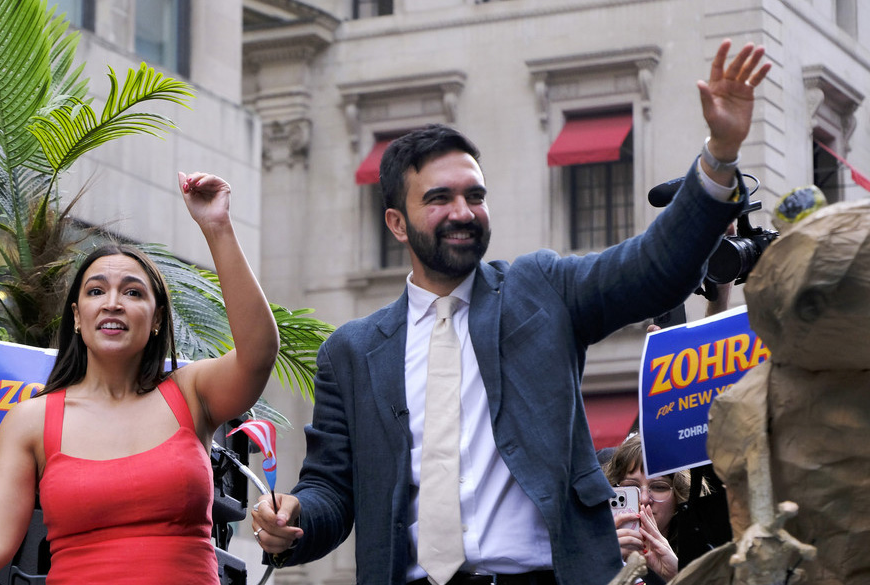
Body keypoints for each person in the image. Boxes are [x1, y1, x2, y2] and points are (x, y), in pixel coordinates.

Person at [250, 39, 770, 585]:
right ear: (397, 224)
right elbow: (331, 490)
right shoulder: (352, 352)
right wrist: (294, 519)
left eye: (475, 195)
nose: (462, 212)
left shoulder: (541, 289)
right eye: (438, 199)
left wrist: (719, 155)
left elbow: (652, 267)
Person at [0, 172, 279, 583]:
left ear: (156, 319)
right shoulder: (30, 420)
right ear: (77, 317)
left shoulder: (191, 392)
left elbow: (258, 354)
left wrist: (217, 227)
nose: (112, 303)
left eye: (133, 292)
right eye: (96, 291)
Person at [603, 434, 698, 584]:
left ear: (679, 498)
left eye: (659, 487)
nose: (644, 499)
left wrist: (675, 575)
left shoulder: (704, 559)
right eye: (631, 487)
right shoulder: (587, 557)